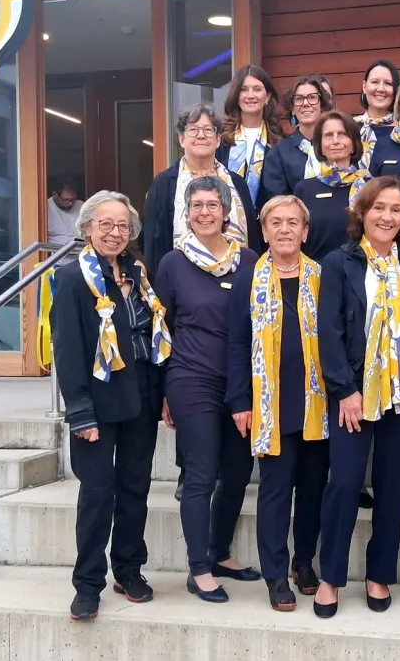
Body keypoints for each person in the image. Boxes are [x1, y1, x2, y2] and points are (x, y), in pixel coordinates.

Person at [51, 190, 167, 620]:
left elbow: (151, 333)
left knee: (135, 488)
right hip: (97, 405)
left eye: (123, 226)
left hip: (140, 397)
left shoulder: (137, 271)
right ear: (87, 229)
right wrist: (79, 411)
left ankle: (129, 569)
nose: (115, 233)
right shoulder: (72, 277)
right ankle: (87, 584)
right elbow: (67, 349)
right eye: (106, 224)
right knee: (98, 494)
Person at [314, 176, 400, 618]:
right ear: (362, 212)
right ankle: (330, 577)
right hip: (354, 390)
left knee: (393, 486)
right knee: (344, 483)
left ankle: (379, 574)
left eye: (396, 209)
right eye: (379, 207)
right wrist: (345, 390)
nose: (387, 216)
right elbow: (328, 331)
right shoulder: (338, 262)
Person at [154, 176, 262, 603]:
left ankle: (219, 553)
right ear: (187, 213)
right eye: (196, 205)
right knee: (201, 474)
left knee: (237, 472)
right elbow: (160, 329)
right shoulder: (173, 263)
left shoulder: (249, 260)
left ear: (226, 211)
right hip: (191, 377)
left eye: (212, 205)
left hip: (239, 382)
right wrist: (164, 391)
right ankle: (198, 568)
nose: (204, 212)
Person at [226, 195, 329, 612]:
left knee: (313, 488)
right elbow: (237, 343)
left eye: (292, 222)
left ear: (305, 232)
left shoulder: (322, 276)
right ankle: (275, 574)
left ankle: (303, 563)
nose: (284, 229)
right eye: (276, 222)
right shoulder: (247, 279)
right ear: (264, 232)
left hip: (317, 401)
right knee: (275, 491)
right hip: (271, 403)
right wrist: (240, 400)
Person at [144, 102, 263, 268]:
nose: (201, 135)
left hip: (236, 275)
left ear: (218, 140)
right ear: (182, 139)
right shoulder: (163, 184)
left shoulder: (237, 183)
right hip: (181, 277)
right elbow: (152, 243)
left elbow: (253, 237)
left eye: (208, 130)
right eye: (193, 130)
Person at [294, 111, 372, 262]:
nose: (335, 141)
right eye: (328, 135)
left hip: (362, 269)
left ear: (354, 145)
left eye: (342, 134)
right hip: (317, 271)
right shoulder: (304, 189)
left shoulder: (370, 188)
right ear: (320, 146)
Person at [216, 65, 287, 203]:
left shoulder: (278, 141)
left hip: (266, 214)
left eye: (257, 89)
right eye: (243, 90)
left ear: (267, 96)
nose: (250, 95)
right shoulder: (221, 139)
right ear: (236, 96)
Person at [259, 75, 333, 203]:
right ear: (292, 108)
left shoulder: (336, 145)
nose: (306, 103)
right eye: (299, 99)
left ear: (321, 105)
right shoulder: (278, 154)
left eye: (312, 97)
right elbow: (278, 202)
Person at [356, 60, 400, 169]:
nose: (380, 89)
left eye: (388, 83)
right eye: (375, 82)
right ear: (364, 87)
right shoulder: (348, 129)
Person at [46, 180, 82, 249]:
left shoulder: (81, 206)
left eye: (73, 200)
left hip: (82, 251)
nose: (70, 203)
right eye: (66, 200)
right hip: (57, 252)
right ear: (55, 194)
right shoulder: (44, 209)